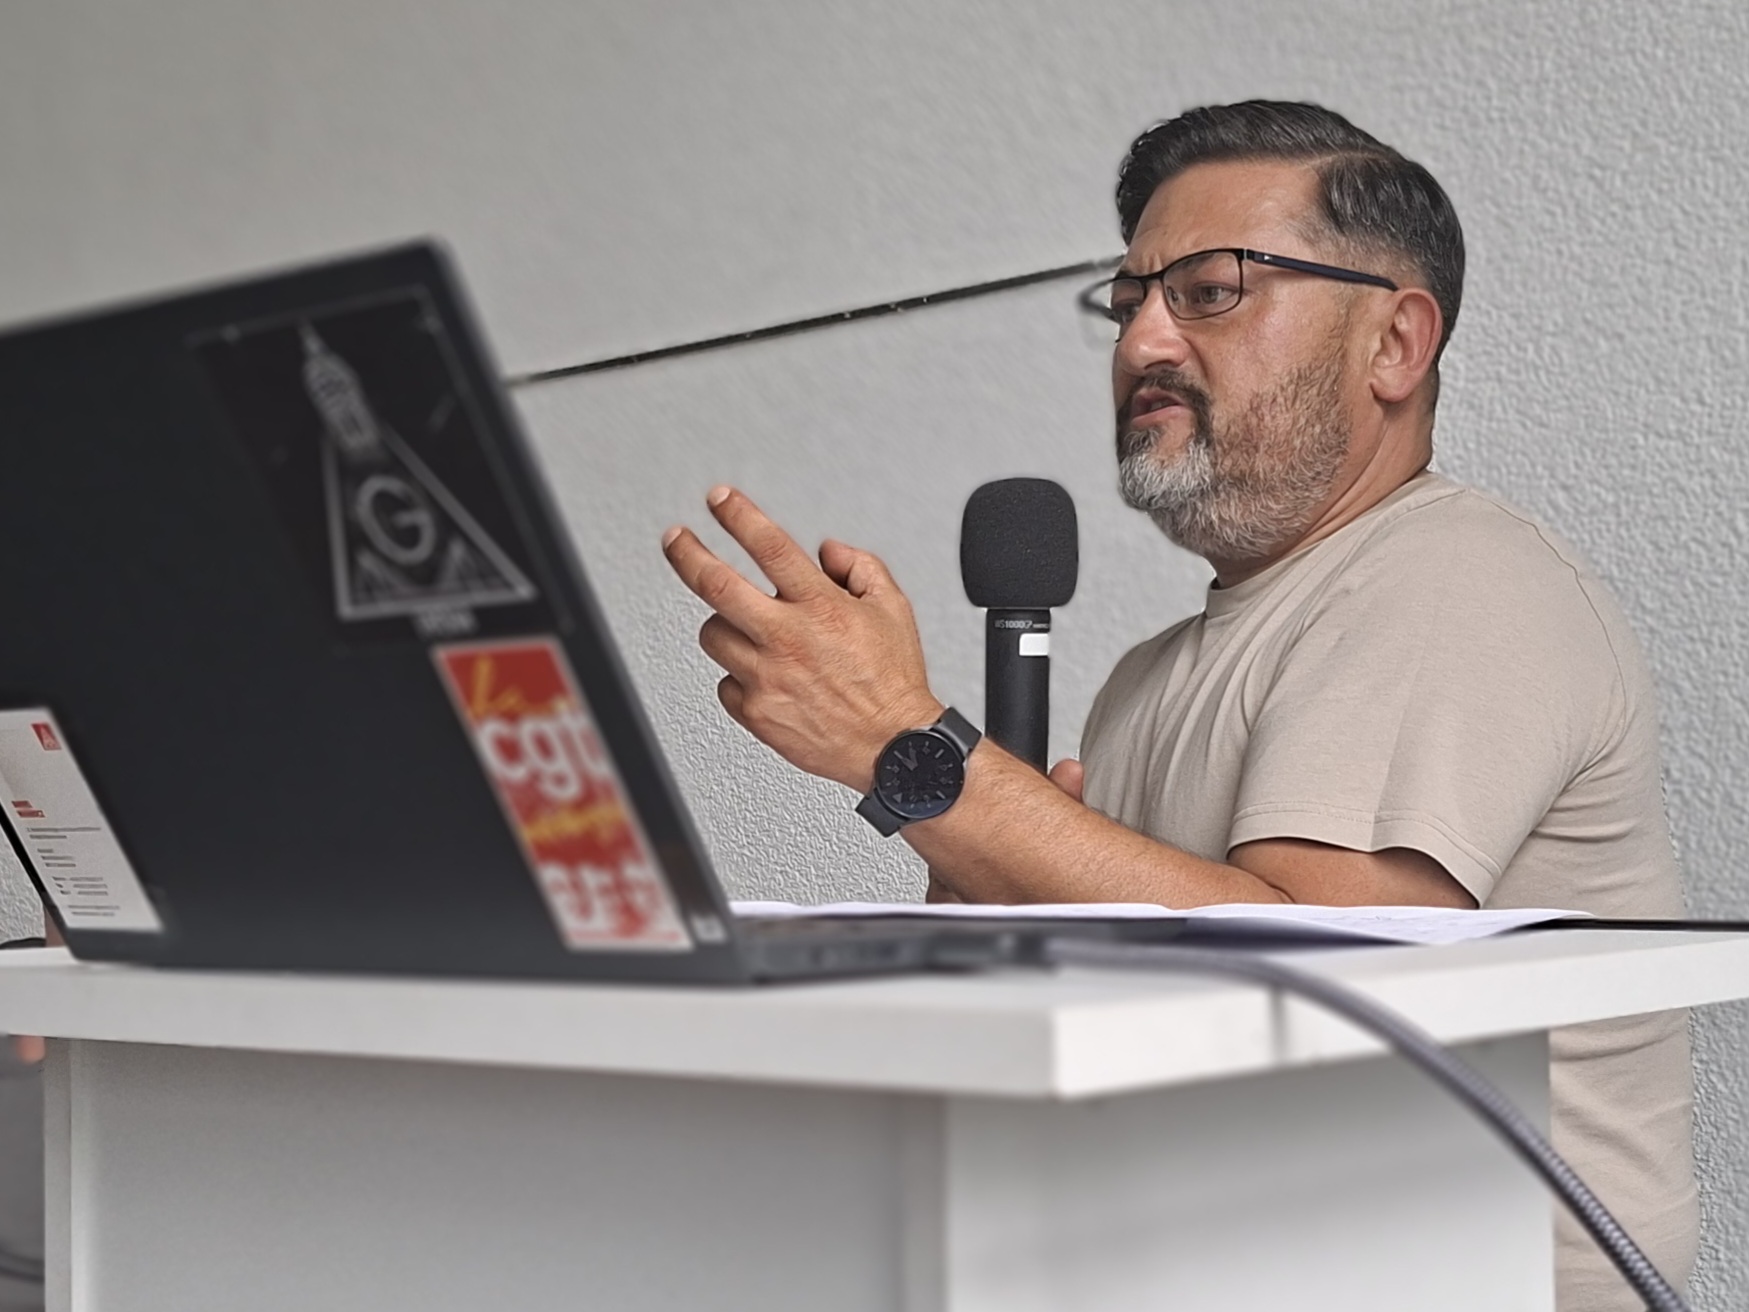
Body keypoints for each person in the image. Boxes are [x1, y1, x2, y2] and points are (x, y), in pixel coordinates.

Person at [660, 100, 1695, 1309]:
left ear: (1396, 343)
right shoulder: (1148, 676)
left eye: (1209, 292)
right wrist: (982, 864)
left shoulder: (1457, 579)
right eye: (1128, 300)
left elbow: (1323, 981)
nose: (1144, 339)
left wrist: (906, 744)